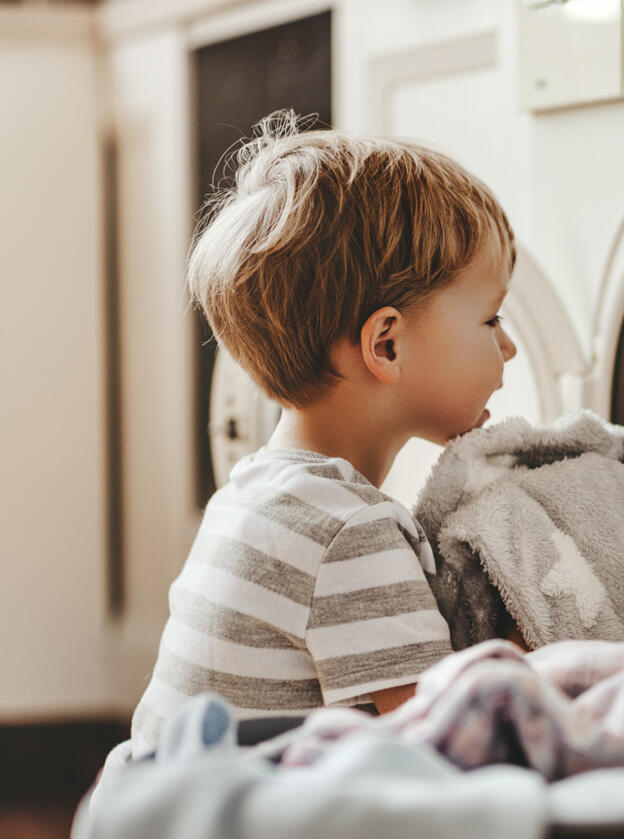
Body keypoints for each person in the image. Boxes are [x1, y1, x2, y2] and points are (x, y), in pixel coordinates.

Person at [128, 110, 518, 756]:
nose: (508, 347)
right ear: (385, 345)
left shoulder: (258, 491)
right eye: (490, 318)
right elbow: (441, 754)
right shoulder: (349, 532)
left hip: (153, 829)